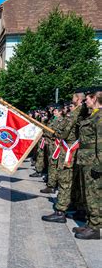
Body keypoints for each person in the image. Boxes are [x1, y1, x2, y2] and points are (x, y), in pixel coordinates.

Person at [42, 90, 87, 223]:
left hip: (69, 151)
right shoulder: (84, 113)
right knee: (75, 182)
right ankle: (79, 209)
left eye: (73, 97)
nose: (71, 99)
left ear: (78, 99)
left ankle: (60, 211)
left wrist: (56, 133)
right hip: (77, 151)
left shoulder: (74, 114)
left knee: (65, 181)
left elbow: (63, 133)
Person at [72, 87, 101, 240]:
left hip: (93, 162)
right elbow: (77, 120)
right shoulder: (91, 116)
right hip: (86, 161)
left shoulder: (100, 117)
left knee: (94, 195)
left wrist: (99, 164)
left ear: (94, 98)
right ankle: (90, 223)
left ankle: (95, 228)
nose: (85, 102)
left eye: (88, 99)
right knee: (87, 195)